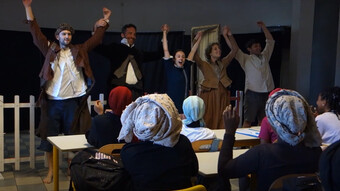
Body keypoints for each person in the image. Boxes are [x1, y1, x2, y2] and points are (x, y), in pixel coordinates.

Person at [22, 0, 110, 183]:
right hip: (53, 101)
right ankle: (51, 171)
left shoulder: (79, 50)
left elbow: (95, 39)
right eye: (64, 34)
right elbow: (35, 33)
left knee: (74, 136)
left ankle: (71, 168)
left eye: (69, 34)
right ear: (57, 36)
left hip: (73, 101)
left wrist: (105, 22)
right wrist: (28, 7)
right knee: (49, 137)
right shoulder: (50, 49)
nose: (67, 37)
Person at [218, 89, 322, 191]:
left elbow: (224, 170)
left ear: (273, 124)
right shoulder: (317, 153)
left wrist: (229, 133)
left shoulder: (262, 154)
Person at [118, 94, 198, 190]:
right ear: (170, 116)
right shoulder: (183, 144)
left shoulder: (130, 153)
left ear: (137, 120)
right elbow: (194, 172)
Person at [94, 23, 163, 100]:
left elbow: (158, 55)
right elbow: (97, 47)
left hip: (136, 91)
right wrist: (97, 29)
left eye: (134, 34)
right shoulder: (115, 49)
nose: (133, 36)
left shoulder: (138, 53)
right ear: (122, 35)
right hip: (118, 89)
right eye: (130, 33)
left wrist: (164, 35)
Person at [192, 26, 238, 129]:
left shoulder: (223, 63)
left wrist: (228, 35)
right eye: (215, 49)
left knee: (222, 117)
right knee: (209, 116)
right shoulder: (204, 64)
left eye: (219, 49)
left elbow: (234, 50)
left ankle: (221, 139)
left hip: (222, 93)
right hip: (209, 93)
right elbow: (194, 54)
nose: (218, 51)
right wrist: (197, 38)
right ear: (210, 53)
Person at [232, 21, 275, 127]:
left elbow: (270, 41)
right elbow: (235, 50)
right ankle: (244, 143)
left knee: (264, 120)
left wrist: (264, 27)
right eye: (255, 46)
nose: (258, 48)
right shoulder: (246, 59)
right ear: (249, 49)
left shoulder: (265, 56)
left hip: (267, 92)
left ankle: (261, 141)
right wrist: (228, 35)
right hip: (252, 93)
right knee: (248, 120)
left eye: (259, 46)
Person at [161, 24, 195, 113]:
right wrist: (164, 33)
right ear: (174, 59)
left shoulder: (185, 67)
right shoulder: (170, 66)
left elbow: (193, 52)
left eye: (183, 57)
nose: (181, 58)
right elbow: (165, 49)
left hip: (183, 103)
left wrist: (199, 39)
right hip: (171, 102)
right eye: (179, 56)